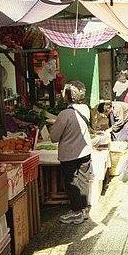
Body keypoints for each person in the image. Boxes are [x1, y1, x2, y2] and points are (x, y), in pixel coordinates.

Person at [50, 81, 94, 224]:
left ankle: (76, 212)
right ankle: (84, 209)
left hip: (69, 154)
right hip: (85, 151)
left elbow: (54, 137)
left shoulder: (65, 114)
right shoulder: (85, 109)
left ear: (68, 95)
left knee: (72, 183)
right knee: (83, 180)